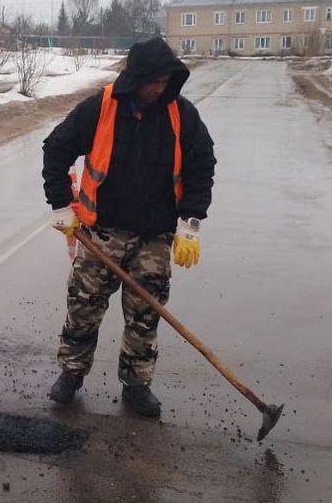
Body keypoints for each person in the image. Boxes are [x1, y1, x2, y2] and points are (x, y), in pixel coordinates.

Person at [41, 38, 216, 416]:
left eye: (165, 81)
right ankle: (71, 373)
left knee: (145, 314)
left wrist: (191, 221)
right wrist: (60, 205)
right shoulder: (99, 109)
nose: (159, 88)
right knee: (83, 307)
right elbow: (55, 149)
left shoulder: (180, 115)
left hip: (154, 237)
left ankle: (137, 384)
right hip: (102, 233)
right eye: (153, 81)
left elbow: (202, 165)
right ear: (135, 78)